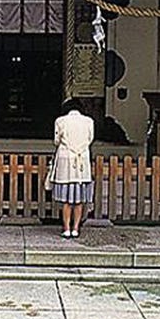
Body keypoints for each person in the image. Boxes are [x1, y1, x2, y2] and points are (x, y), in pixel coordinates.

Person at [51, 98, 94, 238]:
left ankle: (66, 228)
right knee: (79, 200)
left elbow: (56, 141)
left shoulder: (60, 121)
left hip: (66, 162)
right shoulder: (89, 121)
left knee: (66, 201)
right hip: (82, 161)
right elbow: (90, 139)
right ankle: (76, 228)